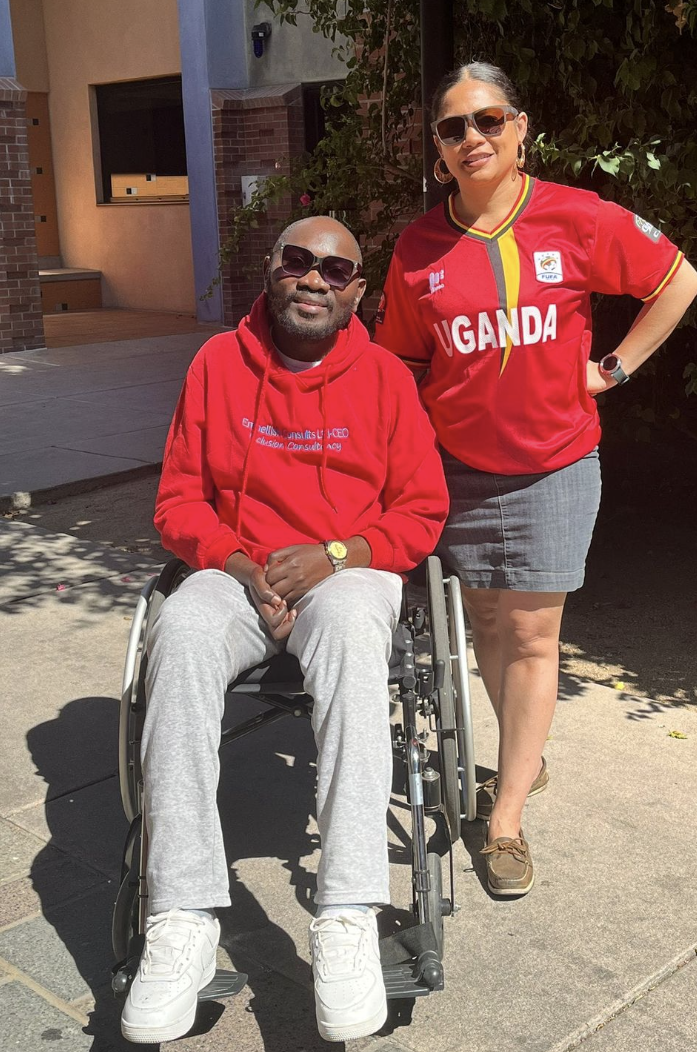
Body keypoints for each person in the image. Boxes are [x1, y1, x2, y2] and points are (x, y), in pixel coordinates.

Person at [376, 62, 697, 898]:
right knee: (486, 620)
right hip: (455, 471)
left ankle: (508, 815)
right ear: (439, 149)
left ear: (520, 127)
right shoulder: (418, 249)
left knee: (531, 636)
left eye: (487, 120)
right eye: (453, 128)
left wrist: (616, 368)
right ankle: (526, 753)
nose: (471, 139)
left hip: (555, 467)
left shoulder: (575, 216)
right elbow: (403, 366)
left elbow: (678, 280)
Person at [120, 217, 448, 1045]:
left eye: (335, 270)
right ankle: (184, 918)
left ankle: (345, 915)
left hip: (343, 574)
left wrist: (339, 554)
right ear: (270, 271)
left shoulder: (383, 379)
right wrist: (237, 565)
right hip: (237, 574)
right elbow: (178, 502)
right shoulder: (215, 365)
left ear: (356, 292)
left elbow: (421, 510)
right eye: (298, 261)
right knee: (183, 632)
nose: (314, 279)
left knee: (347, 632)